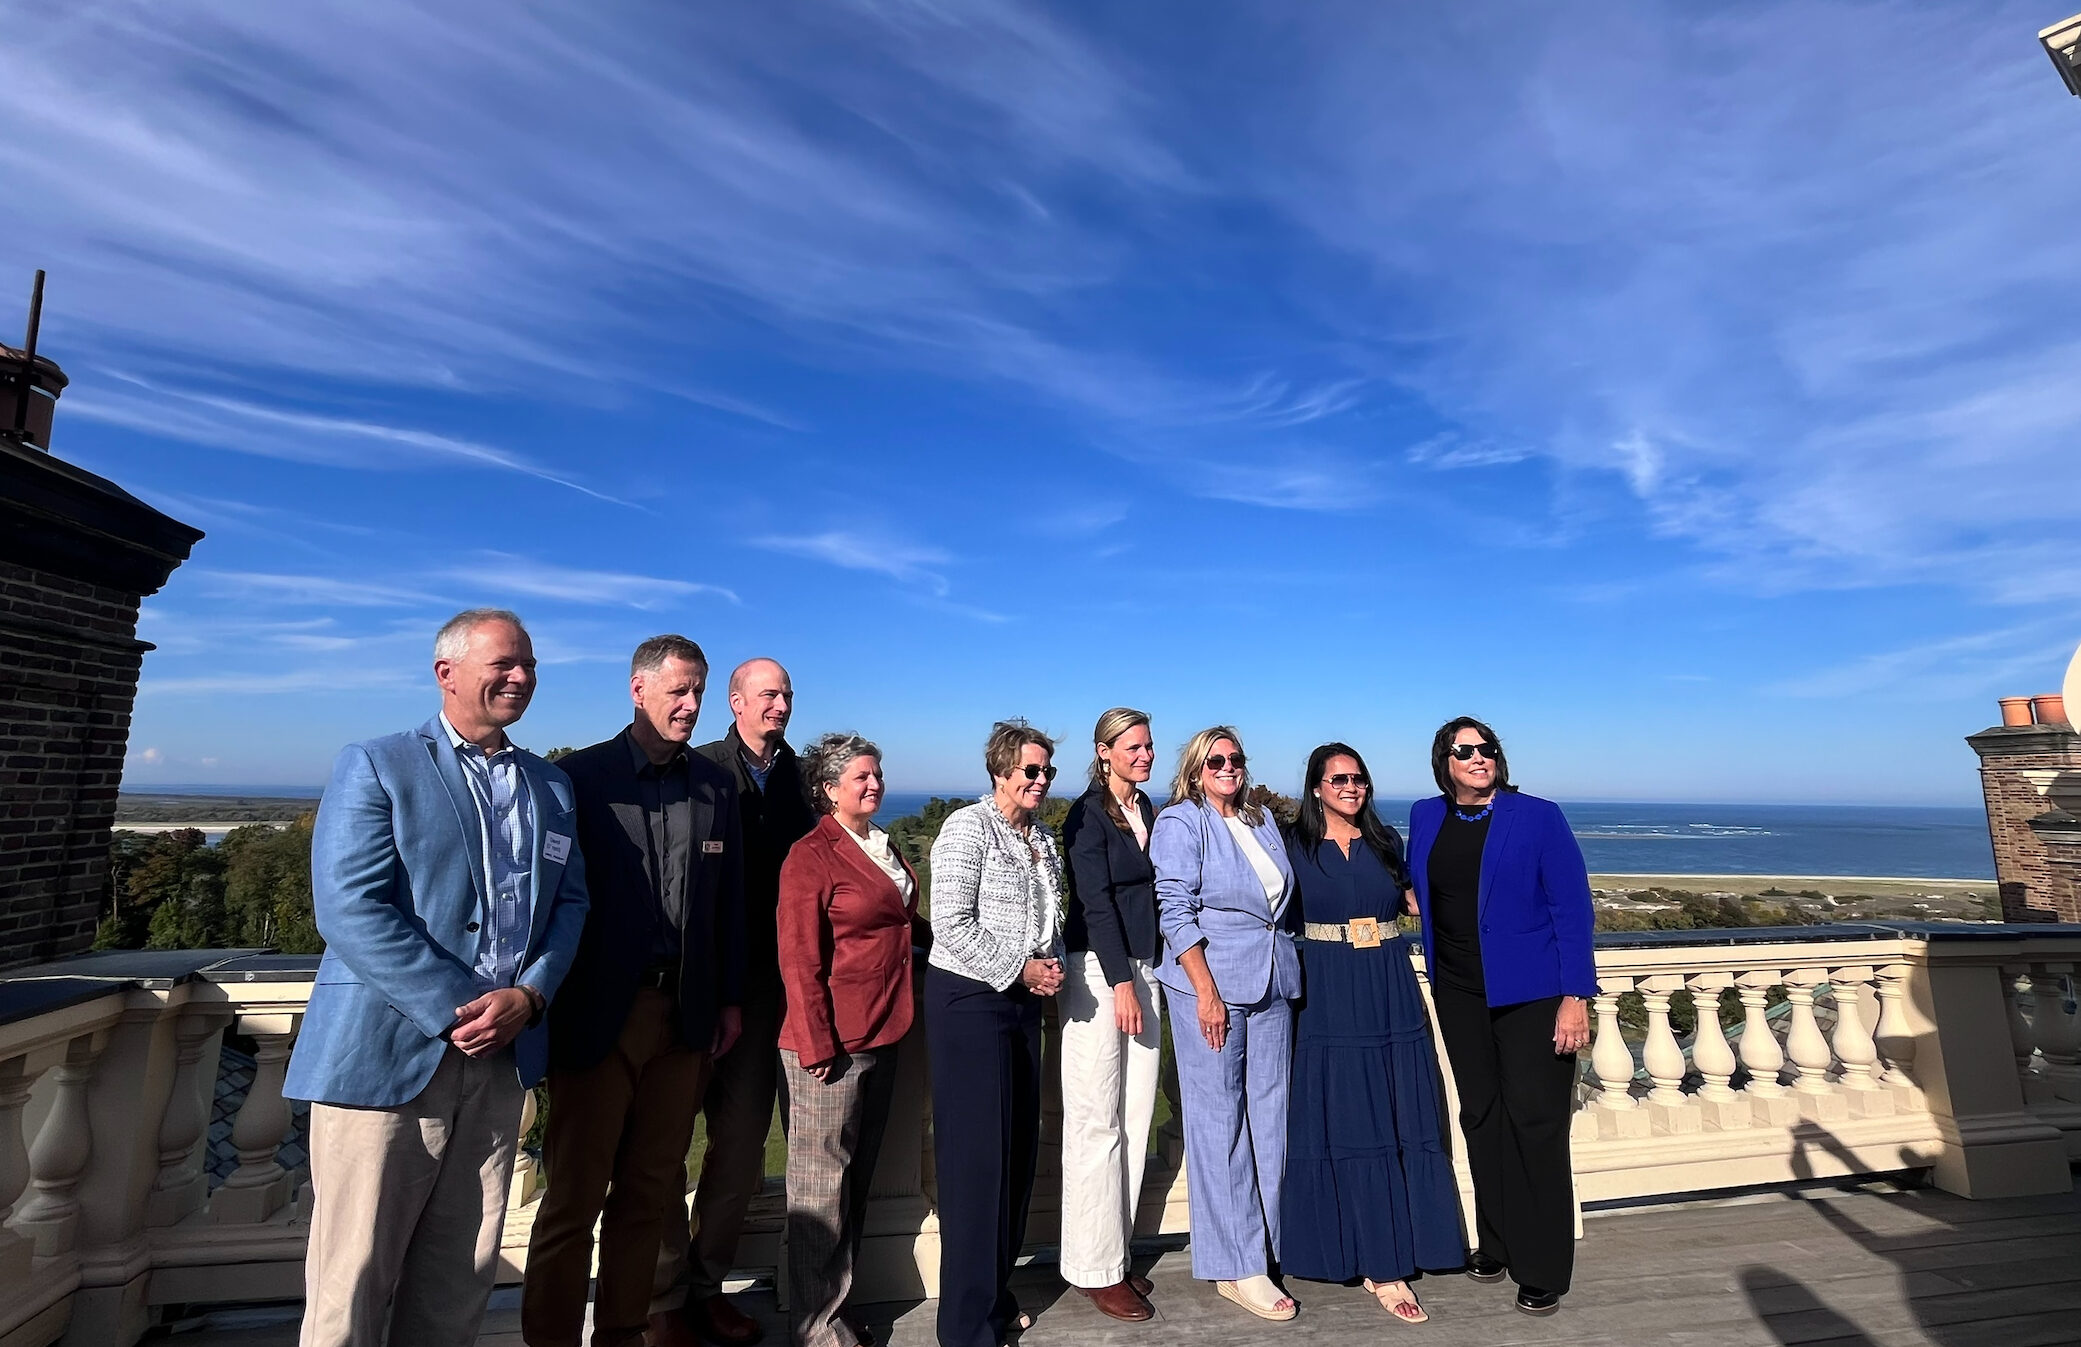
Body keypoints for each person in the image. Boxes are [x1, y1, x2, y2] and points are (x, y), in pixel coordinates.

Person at [287, 608, 590, 1347]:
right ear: (445, 672)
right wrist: (461, 1007)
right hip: (387, 1061)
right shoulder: (378, 761)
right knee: (351, 1281)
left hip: (497, 1064)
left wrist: (531, 993)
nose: (520, 677)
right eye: (503, 663)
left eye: (529, 664)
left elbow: (571, 900)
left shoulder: (550, 785)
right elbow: (349, 908)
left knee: (460, 1276)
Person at [522, 635, 747, 1347]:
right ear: (637, 688)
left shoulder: (714, 786)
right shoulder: (575, 779)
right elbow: (546, 897)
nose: (690, 705)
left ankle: (622, 1332)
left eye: (698, 692)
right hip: (595, 1016)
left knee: (650, 1195)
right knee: (572, 1200)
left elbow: (729, 904)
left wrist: (728, 998)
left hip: (684, 1018)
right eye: (678, 690)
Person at [1406, 717, 1596, 1318]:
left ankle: (1541, 1265)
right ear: (1446, 761)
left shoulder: (1538, 816)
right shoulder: (1424, 816)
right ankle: (1496, 1243)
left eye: (1487, 749)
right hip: (1459, 992)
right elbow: (1420, 886)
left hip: (1534, 996)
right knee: (1482, 1116)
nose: (1479, 758)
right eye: (1465, 751)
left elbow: (1573, 908)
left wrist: (1575, 996)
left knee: (1536, 1125)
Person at [1279, 743, 1463, 1324]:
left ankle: (1410, 1246)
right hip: (1328, 995)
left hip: (1388, 985)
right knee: (1350, 1120)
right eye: (1338, 780)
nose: (1350, 788)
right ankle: (1376, 1265)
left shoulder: (1386, 842)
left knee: (1398, 1112)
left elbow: (1417, 900)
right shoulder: (1292, 847)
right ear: (1316, 787)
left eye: (1358, 779)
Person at [675, 658, 818, 1345]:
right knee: (695, 1149)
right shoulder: (700, 771)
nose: (780, 703)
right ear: (734, 702)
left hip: (783, 991)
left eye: (787, 693)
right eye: (767, 693)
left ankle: (742, 1290)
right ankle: (676, 1294)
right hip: (706, 990)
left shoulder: (801, 779)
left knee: (774, 1149)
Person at [777, 733, 929, 1347]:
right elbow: (798, 956)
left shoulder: (881, 844)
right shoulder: (810, 855)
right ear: (828, 787)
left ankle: (837, 1307)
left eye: (878, 774)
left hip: (884, 1028)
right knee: (820, 1190)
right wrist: (816, 1043)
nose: (874, 785)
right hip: (830, 1044)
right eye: (861, 776)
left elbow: (902, 923)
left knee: (853, 1179)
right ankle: (816, 1329)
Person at [1150, 727, 1300, 1323]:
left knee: (1270, 1118)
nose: (1229, 767)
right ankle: (1237, 1266)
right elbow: (1174, 909)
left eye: (1237, 759)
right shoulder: (1182, 822)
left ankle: (1269, 1246)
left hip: (1272, 983)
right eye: (1217, 760)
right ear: (1195, 767)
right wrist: (1206, 993)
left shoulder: (1259, 819)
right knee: (1219, 1125)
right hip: (1210, 989)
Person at [925, 720, 1067, 1347]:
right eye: (1031, 770)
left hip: (1021, 1004)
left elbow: (1049, 917)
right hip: (969, 1004)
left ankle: (993, 1293)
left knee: (1015, 1154)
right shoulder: (966, 829)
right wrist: (1021, 968)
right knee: (976, 1163)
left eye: (1047, 772)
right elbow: (950, 925)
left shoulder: (1040, 838)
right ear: (1000, 771)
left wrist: (1051, 960)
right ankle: (963, 1326)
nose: (1040, 781)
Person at [1056, 708, 1162, 1322]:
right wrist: (1120, 980)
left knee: (1137, 1116)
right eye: (1132, 746)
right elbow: (1094, 901)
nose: (1144, 754)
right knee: (1096, 1119)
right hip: (1099, 973)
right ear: (1103, 752)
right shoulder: (1086, 814)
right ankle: (1092, 1267)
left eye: (1148, 745)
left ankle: (1114, 1254)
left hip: (1145, 970)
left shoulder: (1147, 810)